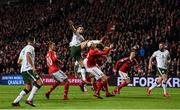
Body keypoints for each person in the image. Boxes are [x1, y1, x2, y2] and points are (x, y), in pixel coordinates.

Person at [12, 37, 43, 107]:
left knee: (28, 88)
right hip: (28, 69)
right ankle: (29, 99)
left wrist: (24, 64)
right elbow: (28, 55)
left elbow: (18, 62)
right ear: (33, 41)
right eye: (35, 41)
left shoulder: (23, 49)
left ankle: (15, 102)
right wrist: (32, 67)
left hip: (23, 70)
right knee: (40, 82)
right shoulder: (30, 47)